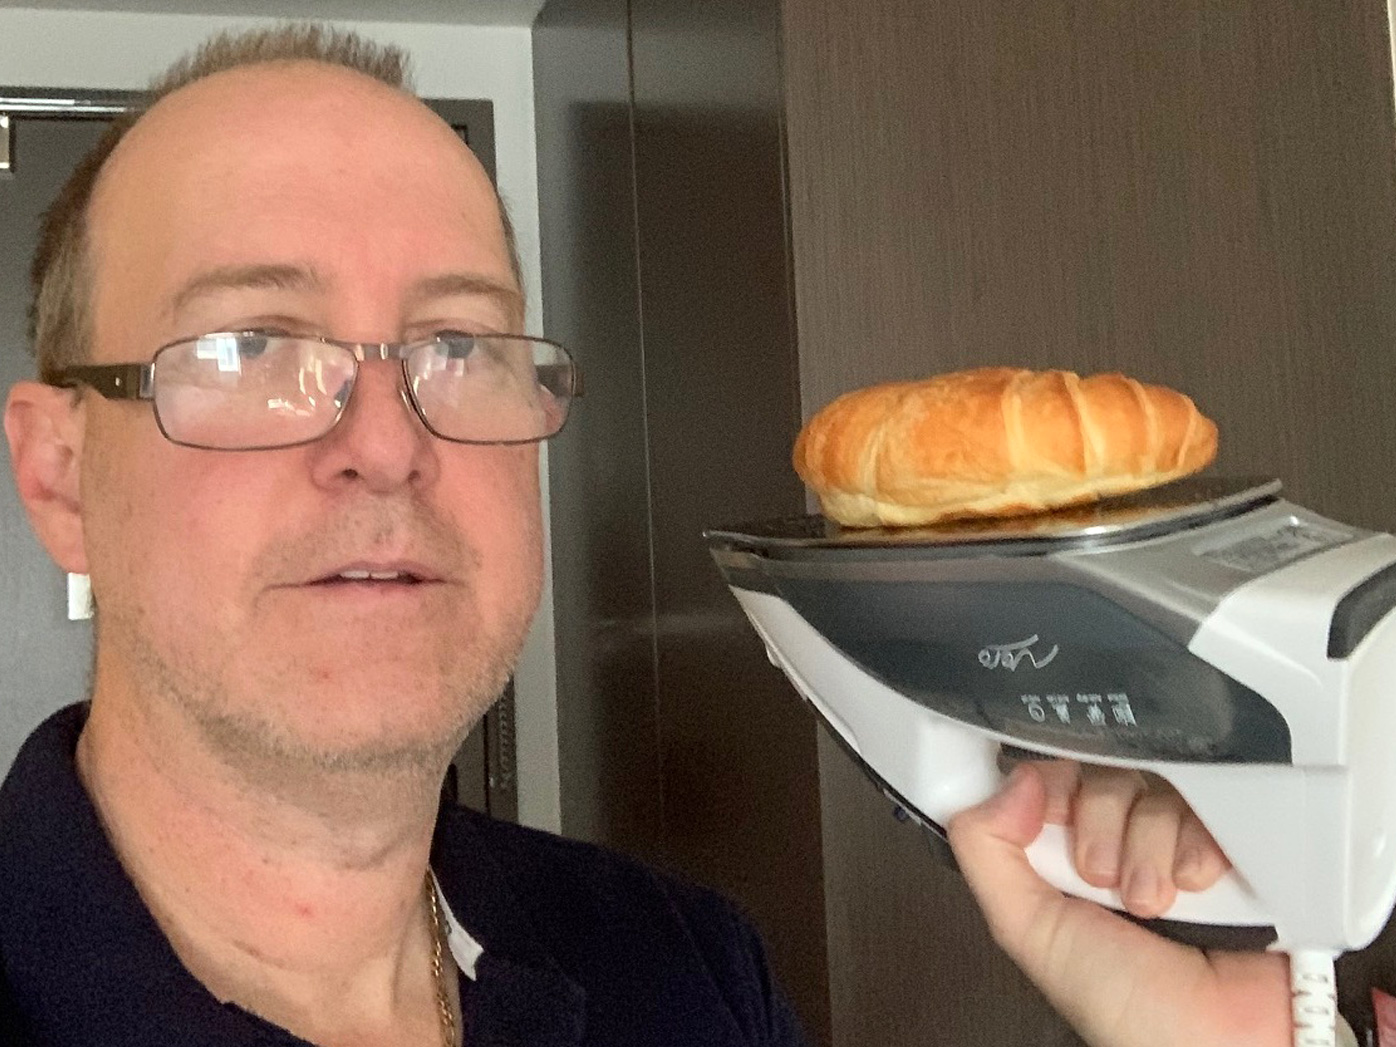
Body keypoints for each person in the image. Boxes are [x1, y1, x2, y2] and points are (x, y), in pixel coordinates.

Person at [0, 22, 1292, 1047]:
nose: (387, 442)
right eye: (254, 348)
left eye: (460, 346)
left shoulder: (686, 970)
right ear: (58, 477)